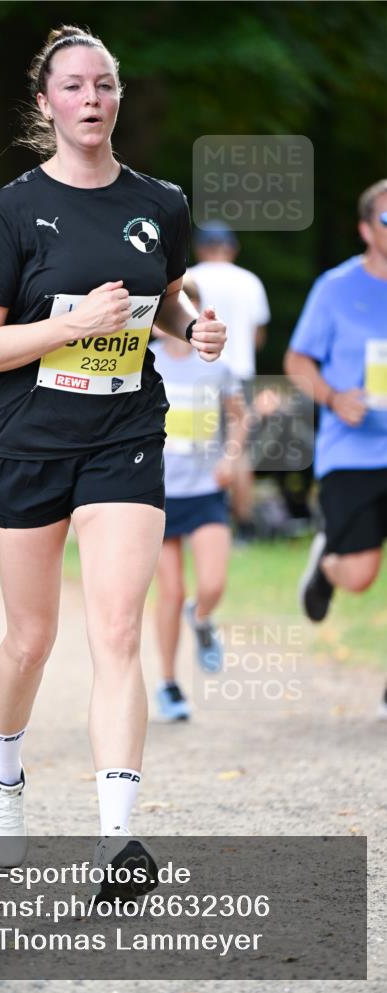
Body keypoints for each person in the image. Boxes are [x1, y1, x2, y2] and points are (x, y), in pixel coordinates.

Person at [0, 25, 226, 886]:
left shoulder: (160, 202)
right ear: (46, 102)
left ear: (117, 96)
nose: (90, 100)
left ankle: (116, 841)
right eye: (73, 86)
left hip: (124, 434)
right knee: (30, 641)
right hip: (27, 440)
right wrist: (67, 327)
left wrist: (194, 328)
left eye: (104, 85)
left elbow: (166, 299)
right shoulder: (8, 211)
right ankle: (2, 765)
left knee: (116, 629)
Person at [284, 179, 387, 720]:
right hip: (353, 450)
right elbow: (298, 362)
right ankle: (328, 564)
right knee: (361, 576)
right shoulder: (335, 288)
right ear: (367, 229)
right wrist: (333, 397)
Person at [152, 277, 246, 720]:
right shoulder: (144, 361)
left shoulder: (217, 365)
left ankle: (203, 618)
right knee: (169, 592)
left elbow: (239, 420)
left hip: (207, 488)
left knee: (212, 584)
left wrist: (230, 458)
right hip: (158, 491)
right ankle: (169, 684)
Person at [189, 223, 270, 541]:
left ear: (199, 249)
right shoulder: (250, 281)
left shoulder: (190, 277)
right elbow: (257, 337)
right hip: (239, 374)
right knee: (238, 449)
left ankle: (197, 518)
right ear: (232, 248)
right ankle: (243, 526)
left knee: (193, 446)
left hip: (199, 373)